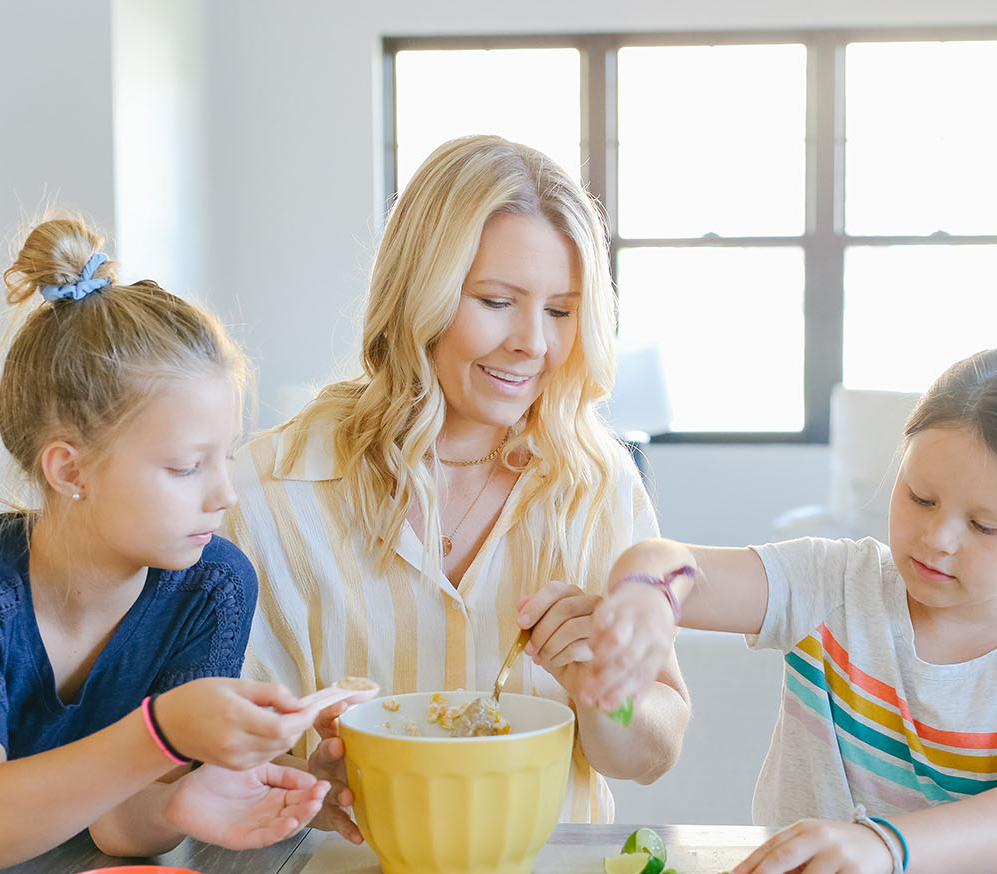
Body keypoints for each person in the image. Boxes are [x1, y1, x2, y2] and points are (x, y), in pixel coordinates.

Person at [0, 217, 348, 874]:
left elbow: (118, 822)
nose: (225, 493)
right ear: (70, 470)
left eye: (226, 457)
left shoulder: (214, 582)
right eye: (187, 466)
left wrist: (185, 803)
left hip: (21, 826)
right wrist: (165, 731)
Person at [226, 135, 690, 833]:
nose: (533, 343)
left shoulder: (598, 484)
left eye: (561, 311)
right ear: (421, 294)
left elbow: (653, 752)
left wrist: (604, 695)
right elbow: (205, 755)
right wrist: (301, 781)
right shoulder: (269, 491)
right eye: (498, 301)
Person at [582, 346, 997, 874]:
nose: (938, 538)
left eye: (984, 526)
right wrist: (649, 593)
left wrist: (883, 846)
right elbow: (672, 562)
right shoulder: (833, 582)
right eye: (920, 497)